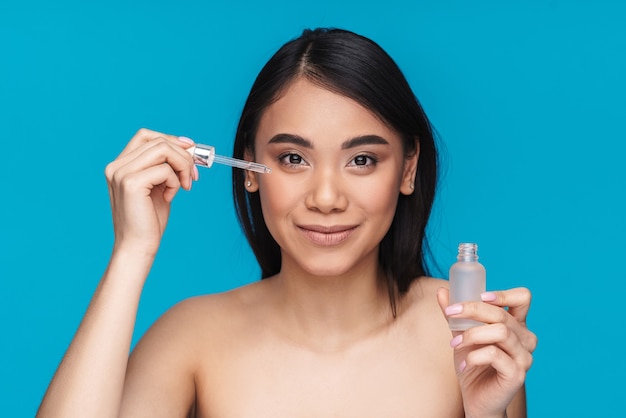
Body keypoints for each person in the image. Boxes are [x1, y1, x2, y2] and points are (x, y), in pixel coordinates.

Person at [37, 28, 536, 418]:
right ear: (249, 167)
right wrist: (131, 254)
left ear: (407, 169)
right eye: (294, 159)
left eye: (362, 160)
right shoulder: (192, 338)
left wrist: (486, 413)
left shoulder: (467, 334)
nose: (325, 198)